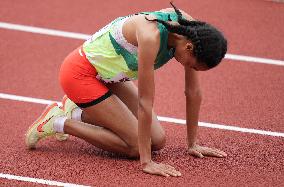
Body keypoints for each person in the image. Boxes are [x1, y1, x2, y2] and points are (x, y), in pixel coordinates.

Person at [25, 2, 227, 177]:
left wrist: (193, 144)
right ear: (189, 47)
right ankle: (58, 122)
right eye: (192, 66)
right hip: (80, 75)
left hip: (110, 77)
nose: (190, 69)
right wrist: (146, 162)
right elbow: (145, 102)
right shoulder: (151, 37)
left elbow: (193, 92)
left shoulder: (191, 32)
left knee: (157, 141)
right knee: (137, 147)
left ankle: (76, 112)